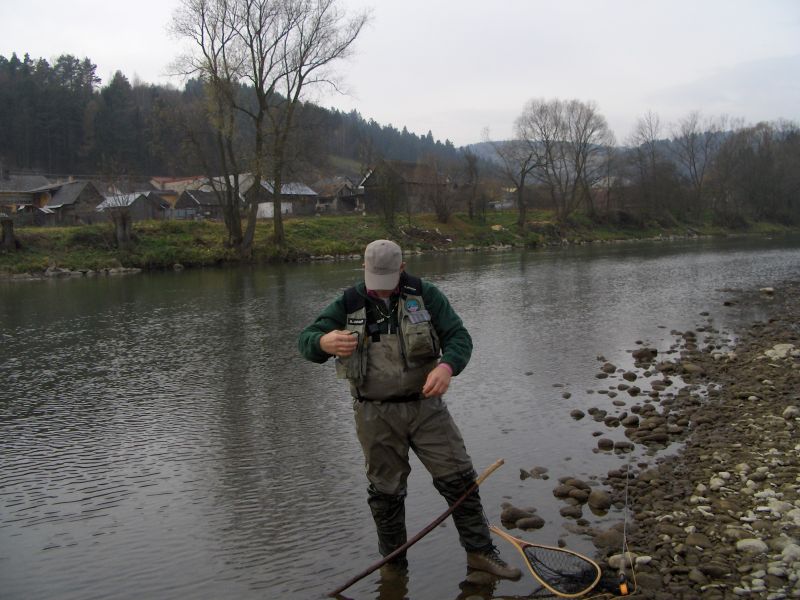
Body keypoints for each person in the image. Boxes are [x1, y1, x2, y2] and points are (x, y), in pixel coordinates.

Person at [298, 239, 520, 580]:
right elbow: (306, 341)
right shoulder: (348, 302)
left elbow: (459, 338)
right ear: (364, 268)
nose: (381, 290)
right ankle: (393, 567)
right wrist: (322, 341)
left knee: (459, 480)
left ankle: (480, 553)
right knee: (385, 493)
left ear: (402, 269)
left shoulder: (426, 295)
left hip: (426, 408)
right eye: (375, 281)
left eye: (388, 281)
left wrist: (447, 367)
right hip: (374, 415)